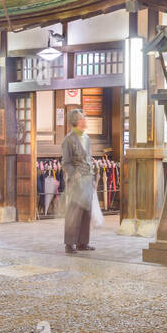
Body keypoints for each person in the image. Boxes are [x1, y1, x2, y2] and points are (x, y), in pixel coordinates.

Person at [61, 109, 96, 254]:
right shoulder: (68, 139)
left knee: (86, 211)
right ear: (77, 121)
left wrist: (93, 177)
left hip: (88, 178)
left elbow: (89, 159)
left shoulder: (86, 138)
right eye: (83, 118)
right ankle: (69, 243)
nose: (85, 119)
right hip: (76, 181)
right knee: (74, 212)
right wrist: (73, 174)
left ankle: (83, 242)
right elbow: (66, 162)